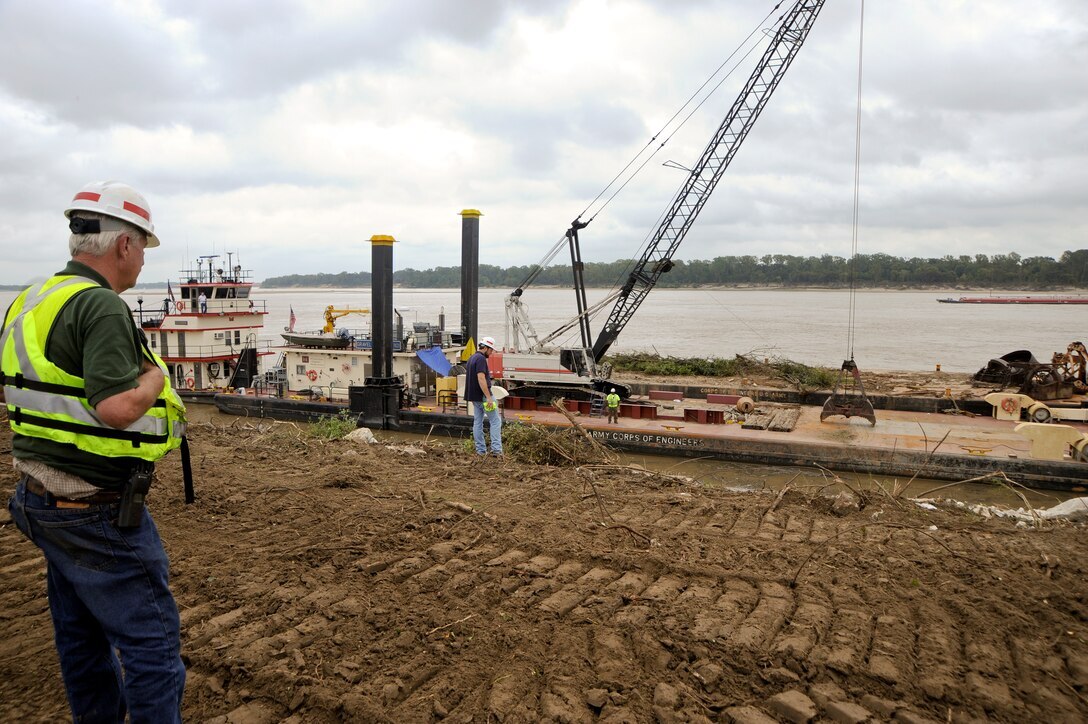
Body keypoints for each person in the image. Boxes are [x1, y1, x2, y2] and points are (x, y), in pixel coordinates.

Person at [2, 181, 189, 722]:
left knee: (82, 642)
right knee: (152, 649)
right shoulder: (102, 307)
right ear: (124, 246)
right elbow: (115, 409)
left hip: (40, 497)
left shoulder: (33, 298)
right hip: (98, 508)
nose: (141, 264)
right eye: (143, 250)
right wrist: (154, 379)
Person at [465, 336, 502, 456]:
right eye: (490, 350)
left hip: (474, 398)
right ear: (485, 348)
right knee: (495, 421)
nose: (491, 353)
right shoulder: (481, 359)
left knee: (478, 422)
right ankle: (496, 450)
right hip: (484, 398)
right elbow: (481, 378)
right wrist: (489, 397)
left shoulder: (472, 358)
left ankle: (480, 451)